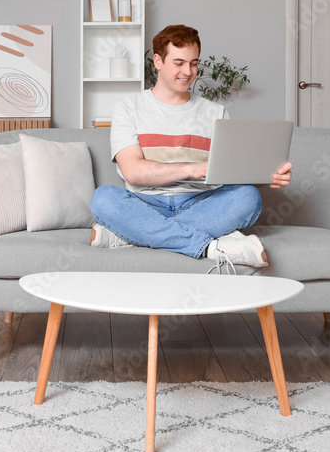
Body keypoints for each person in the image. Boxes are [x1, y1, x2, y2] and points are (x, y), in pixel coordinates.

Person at [90, 24, 293, 269]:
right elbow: (134, 172)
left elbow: (230, 173)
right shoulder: (128, 108)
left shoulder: (215, 112)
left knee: (249, 197)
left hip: (201, 202)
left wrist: (268, 175)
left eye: (194, 63)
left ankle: (134, 235)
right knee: (103, 199)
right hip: (145, 203)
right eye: (178, 63)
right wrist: (191, 169)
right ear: (158, 61)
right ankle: (209, 247)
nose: (188, 71)